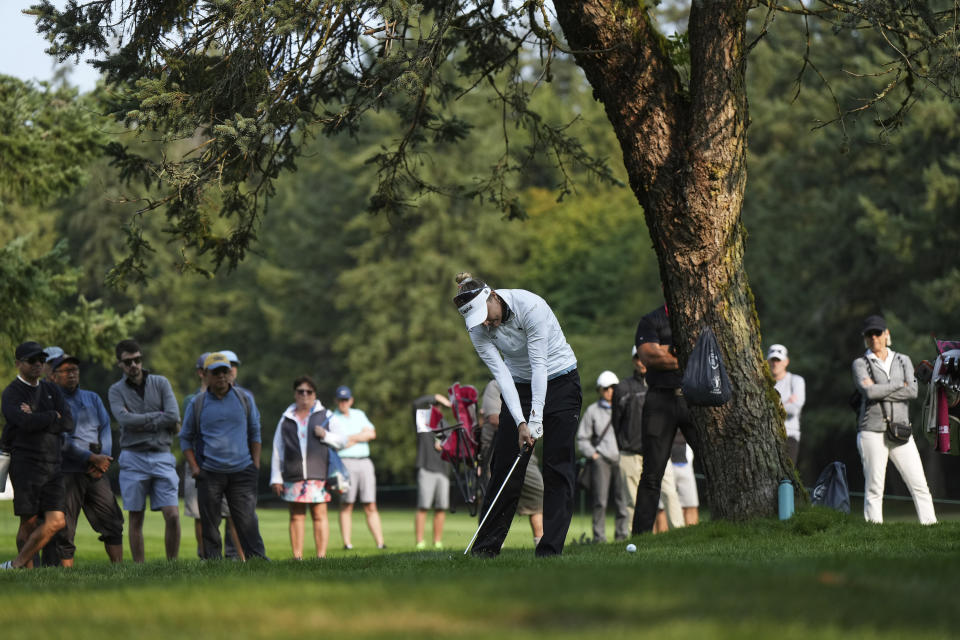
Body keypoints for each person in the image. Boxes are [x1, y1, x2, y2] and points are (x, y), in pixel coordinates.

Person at [454, 272, 581, 558]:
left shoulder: (531, 306)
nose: (485, 323)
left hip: (561, 381)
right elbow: (502, 375)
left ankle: (549, 551)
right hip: (519, 386)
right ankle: (485, 549)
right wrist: (522, 421)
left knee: (557, 466)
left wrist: (535, 421)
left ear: (493, 296)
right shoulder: (476, 328)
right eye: (478, 320)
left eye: (485, 314)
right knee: (505, 466)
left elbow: (539, 365)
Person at [180, 352, 268, 560]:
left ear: (231, 374)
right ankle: (213, 563)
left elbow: (255, 432)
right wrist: (194, 467)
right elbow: (185, 438)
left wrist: (254, 464)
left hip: (242, 471)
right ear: (206, 375)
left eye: (225, 372)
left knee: (247, 520)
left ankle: (257, 560)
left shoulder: (244, 399)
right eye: (216, 372)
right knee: (210, 524)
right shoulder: (197, 403)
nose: (221, 376)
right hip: (210, 473)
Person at [852, 315, 936, 525]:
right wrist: (900, 386)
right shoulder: (860, 363)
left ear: (886, 334)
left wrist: (880, 389)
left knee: (919, 483)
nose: (874, 338)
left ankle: (931, 526)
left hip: (901, 430)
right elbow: (869, 392)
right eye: (869, 334)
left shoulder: (903, 359)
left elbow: (913, 390)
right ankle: (874, 531)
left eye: (878, 333)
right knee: (874, 486)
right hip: (872, 430)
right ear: (865, 338)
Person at [0, 342, 73, 569]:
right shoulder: (12, 393)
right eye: (32, 361)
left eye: (41, 360)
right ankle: (28, 573)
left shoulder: (52, 390)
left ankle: (16, 565)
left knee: (57, 520)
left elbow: (68, 422)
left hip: (53, 464)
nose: (38, 365)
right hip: (25, 465)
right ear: (18, 364)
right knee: (29, 522)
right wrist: (52, 416)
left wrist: (39, 417)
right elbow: (23, 422)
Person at [108, 339, 181, 562]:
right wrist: (157, 416)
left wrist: (140, 420)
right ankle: (139, 566)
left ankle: (172, 563)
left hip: (162, 455)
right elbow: (123, 419)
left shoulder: (160, 383)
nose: (134, 365)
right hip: (133, 457)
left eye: (137, 360)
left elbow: (173, 416)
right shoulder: (115, 390)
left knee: (173, 514)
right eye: (128, 361)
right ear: (120, 364)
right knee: (135, 515)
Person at [632, 303, 701, 536]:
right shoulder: (651, 320)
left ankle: (729, 526)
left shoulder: (699, 315)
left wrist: (668, 350)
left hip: (694, 401)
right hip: (660, 399)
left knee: (715, 467)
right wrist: (690, 358)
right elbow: (650, 356)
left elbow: (712, 353)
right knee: (652, 474)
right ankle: (641, 535)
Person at [49, 354, 124, 566]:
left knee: (112, 521)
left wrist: (104, 459)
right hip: (68, 471)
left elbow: (105, 426)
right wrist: (92, 458)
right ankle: (67, 575)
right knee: (65, 527)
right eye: (65, 371)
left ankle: (118, 569)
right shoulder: (52, 402)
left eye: (74, 370)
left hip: (96, 470)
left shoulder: (92, 398)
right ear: (54, 377)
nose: (71, 374)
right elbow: (61, 440)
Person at [270, 376, 347, 559]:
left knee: (319, 514)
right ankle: (297, 557)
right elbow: (277, 448)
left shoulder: (326, 416)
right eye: (300, 391)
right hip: (293, 473)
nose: (304, 395)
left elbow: (343, 440)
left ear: (315, 394)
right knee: (296, 516)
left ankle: (321, 556)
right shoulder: (286, 418)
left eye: (308, 391)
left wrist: (326, 435)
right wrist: (276, 477)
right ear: (295, 394)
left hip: (318, 473)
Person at [478, 378, 544, 545]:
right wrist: (522, 427)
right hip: (498, 453)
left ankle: (540, 542)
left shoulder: (532, 383)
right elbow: (494, 418)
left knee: (538, 494)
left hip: (525, 452)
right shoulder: (495, 384)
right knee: (495, 498)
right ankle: (486, 544)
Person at [577, 370, 630, 543]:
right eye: (606, 388)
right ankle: (599, 538)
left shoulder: (625, 407)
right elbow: (582, 438)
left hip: (622, 458)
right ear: (600, 390)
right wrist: (593, 455)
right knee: (600, 501)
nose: (610, 391)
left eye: (613, 387)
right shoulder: (592, 411)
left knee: (623, 500)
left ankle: (622, 537)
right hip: (601, 460)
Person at [329, 385, 385, 550]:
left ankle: (380, 543)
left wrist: (348, 439)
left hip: (365, 462)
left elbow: (372, 434)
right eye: (340, 400)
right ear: (336, 400)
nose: (343, 403)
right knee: (347, 504)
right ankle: (347, 543)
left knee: (370, 504)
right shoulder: (332, 417)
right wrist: (360, 437)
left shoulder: (359, 414)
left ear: (351, 400)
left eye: (346, 400)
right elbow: (336, 445)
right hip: (345, 463)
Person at [611, 347, 646, 530]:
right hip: (629, 453)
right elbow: (616, 421)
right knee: (632, 502)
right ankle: (638, 541)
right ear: (634, 360)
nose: (641, 361)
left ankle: (674, 539)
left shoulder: (660, 385)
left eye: (644, 357)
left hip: (656, 453)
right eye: (637, 357)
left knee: (668, 498)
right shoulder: (623, 387)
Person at [412, 393, 453, 550]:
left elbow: (453, 445)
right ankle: (420, 541)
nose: (434, 408)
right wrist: (436, 396)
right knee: (423, 506)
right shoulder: (423, 422)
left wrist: (445, 445)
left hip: (443, 470)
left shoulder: (445, 424)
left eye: (437, 406)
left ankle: (437, 541)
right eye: (432, 405)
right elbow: (416, 402)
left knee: (441, 507)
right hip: (426, 467)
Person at [767, 344, 805, 465]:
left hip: (789, 437)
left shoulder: (796, 380)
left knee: (786, 480)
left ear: (786, 362)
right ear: (768, 361)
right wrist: (786, 402)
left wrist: (771, 404)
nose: (775, 363)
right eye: (772, 360)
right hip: (766, 437)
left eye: (778, 360)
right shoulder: (763, 383)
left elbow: (794, 409)